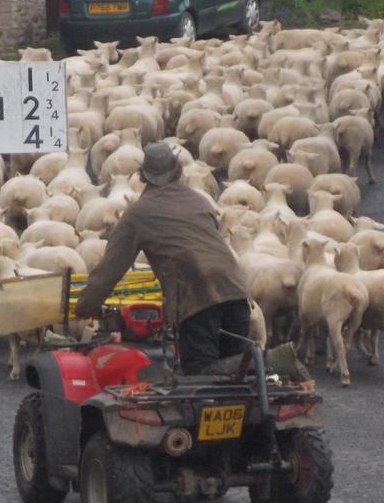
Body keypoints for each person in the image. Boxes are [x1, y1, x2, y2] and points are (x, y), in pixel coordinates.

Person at [73, 142, 251, 375]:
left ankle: (255, 368)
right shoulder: (199, 200)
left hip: (197, 296)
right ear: (177, 170)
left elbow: (110, 270)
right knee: (239, 374)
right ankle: (260, 370)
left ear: (142, 175)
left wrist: (85, 306)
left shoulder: (139, 213)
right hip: (236, 290)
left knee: (200, 375)